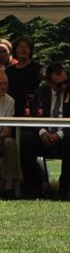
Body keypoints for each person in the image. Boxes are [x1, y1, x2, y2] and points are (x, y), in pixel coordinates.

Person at [20, 63, 70, 199]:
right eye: (59, 84)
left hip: (67, 136)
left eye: (65, 82)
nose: (63, 86)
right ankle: (34, 187)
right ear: (49, 83)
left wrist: (59, 134)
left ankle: (65, 188)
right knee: (26, 138)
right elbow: (32, 117)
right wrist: (42, 132)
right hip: (45, 136)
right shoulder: (40, 92)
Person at [6, 36, 42, 116]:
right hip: (12, 108)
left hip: (31, 109)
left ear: (30, 50)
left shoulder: (38, 68)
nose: (23, 49)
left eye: (26, 47)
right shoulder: (9, 71)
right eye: (21, 47)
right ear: (15, 50)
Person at [0, 71, 20, 199]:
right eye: (0, 84)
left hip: (2, 138)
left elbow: (8, 130)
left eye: (5, 83)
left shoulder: (10, 101)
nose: (3, 87)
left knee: (11, 142)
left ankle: (9, 187)